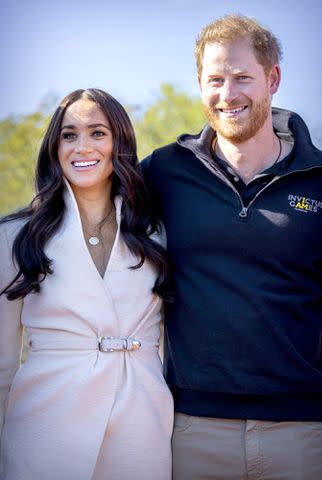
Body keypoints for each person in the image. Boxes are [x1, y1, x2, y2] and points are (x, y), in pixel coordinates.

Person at [141, 14, 322, 480]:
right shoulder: (163, 172)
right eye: (215, 79)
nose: (228, 94)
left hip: (307, 430)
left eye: (242, 77)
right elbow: (92, 211)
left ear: (272, 79)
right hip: (193, 428)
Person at [0, 88, 173, 480]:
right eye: (69, 134)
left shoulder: (157, 234)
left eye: (98, 132)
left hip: (140, 427)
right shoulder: (15, 238)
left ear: (119, 144)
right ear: (54, 147)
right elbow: (2, 363)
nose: (82, 146)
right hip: (43, 427)